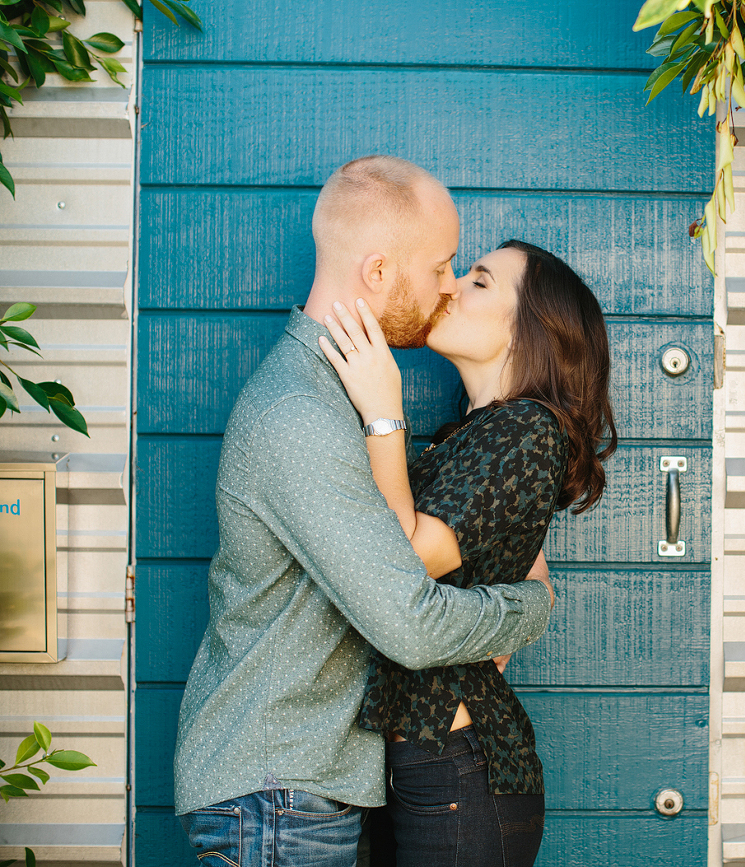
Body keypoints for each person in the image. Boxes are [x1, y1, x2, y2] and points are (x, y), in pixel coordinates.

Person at [173, 157, 556, 867]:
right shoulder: (302, 414)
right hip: (277, 789)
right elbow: (410, 624)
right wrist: (528, 607)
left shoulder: (333, 393)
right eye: (442, 266)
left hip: (302, 784)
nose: (448, 286)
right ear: (378, 272)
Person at [319, 239, 616, 867]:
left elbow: (401, 563)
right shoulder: (483, 433)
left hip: (460, 770)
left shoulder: (527, 429)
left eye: (480, 282)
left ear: (532, 328)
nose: (451, 287)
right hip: (424, 764)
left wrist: (381, 410)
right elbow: (519, 564)